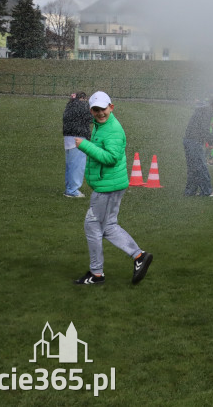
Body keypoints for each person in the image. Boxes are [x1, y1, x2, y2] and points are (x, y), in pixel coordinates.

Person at [72, 91, 153, 286]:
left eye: (103, 109)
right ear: (91, 110)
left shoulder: (113, 129)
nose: (101, 113)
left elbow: (111, 158)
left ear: (111, 107)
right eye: (96, 109)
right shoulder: (101, 126)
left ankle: (97, 273)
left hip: (108, 187)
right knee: (107, 226)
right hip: (108, 185)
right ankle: (138, 256)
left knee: (93, 226)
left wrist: (85, 146)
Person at [183, 98, 213, 197]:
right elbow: (204, 128)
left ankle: (190, 191)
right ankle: (207, 191)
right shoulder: (207, 112)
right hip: (195, 142)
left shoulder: (201, 110)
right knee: (201, 166)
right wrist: (211, 141)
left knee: (193, 167)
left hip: (188, 140)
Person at [62, 91, 91, 198]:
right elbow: (92, 118)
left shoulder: (69, 106)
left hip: (68, 138)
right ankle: (73, 190)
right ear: (83, 98)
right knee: (78, 165)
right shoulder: (82, 105)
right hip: (79, 138)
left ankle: (69, 188)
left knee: (70, 165)